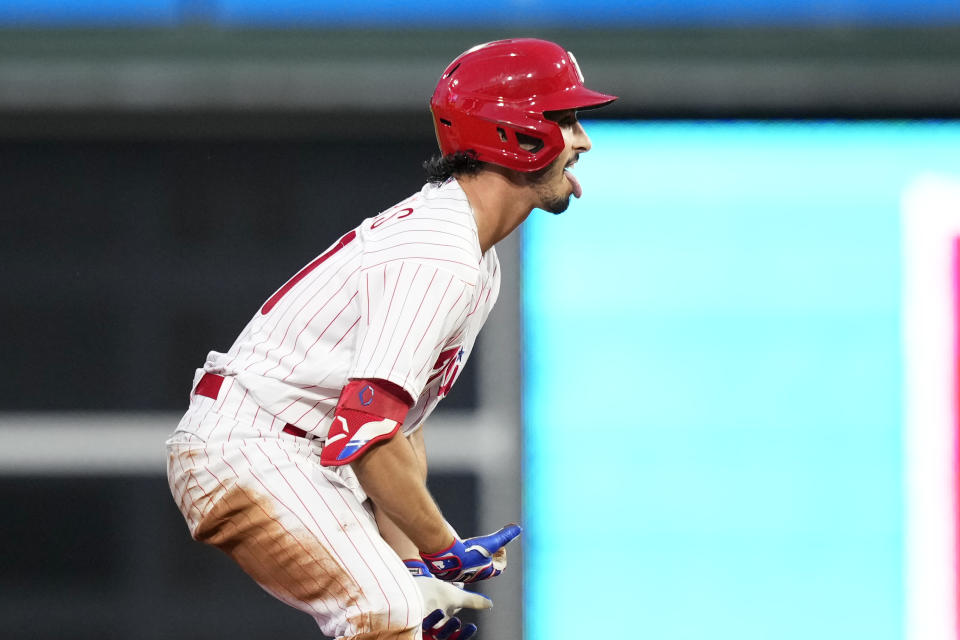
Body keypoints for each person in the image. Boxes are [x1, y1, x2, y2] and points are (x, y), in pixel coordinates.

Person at [165, 38, 616, 640]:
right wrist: (445, 550)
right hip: (252, 446)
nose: (583, 140)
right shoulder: (440, 254)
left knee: (405, 616)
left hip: (291, 451)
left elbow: (400, 431)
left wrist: (409, 564)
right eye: (565, 120)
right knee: (386, 613)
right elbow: (367, 437)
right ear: (516, 131)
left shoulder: (474, 256)